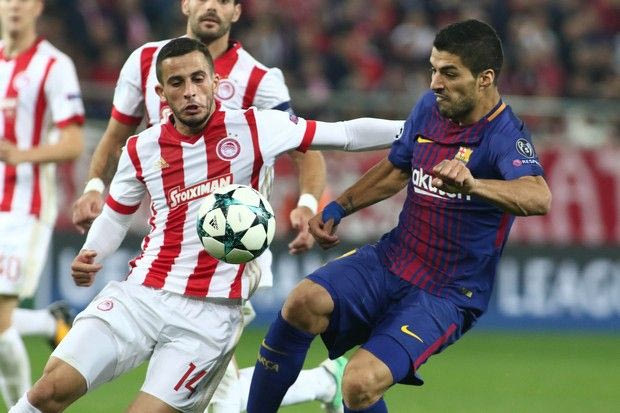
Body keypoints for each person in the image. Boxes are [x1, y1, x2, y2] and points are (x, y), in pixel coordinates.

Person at [9, 37, 402, 413]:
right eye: (177, 83)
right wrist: (91, 253)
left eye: (198, 79)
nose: (190, 91)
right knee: (48, 391)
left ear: (216, 82)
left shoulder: (255, 127)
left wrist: (416, 129)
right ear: (161, 94)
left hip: (209, 317)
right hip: (140, 295)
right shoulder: (141, 148)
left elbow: (345, 133)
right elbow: (115, 213)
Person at [247, 19, 553, 413]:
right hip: (393, 259)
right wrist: (339, 208)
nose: (435, 83)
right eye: (433, 69)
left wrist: (475, 184)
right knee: (302, 303)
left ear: (485, 79)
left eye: (449, 73)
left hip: (447, 292)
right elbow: (397, 169)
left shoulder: (504, 135)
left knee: (359, 383)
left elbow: (538, 196)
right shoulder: (429, 108)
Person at [71, 1, 341, 410]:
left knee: (209, 394)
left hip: (230, 246)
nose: (210, 5)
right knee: (211, 391)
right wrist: (95, 185)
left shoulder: (259, 78)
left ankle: (321, 382)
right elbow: (116, 135)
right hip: (169, 244)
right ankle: (322, 382)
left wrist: (306, 203)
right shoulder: (145, 61)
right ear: (185, 4)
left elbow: (306, 147)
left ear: (237, 11)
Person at [0, 0, 84, 408]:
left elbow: (73, 143)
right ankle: (49, 323)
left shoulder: (55, 65)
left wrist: (21, 155)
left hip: (23, 208)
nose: (15, 5)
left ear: (38, 7)